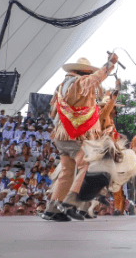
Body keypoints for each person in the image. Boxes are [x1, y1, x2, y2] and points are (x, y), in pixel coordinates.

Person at [42, 53, 118, 221]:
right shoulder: (78, 83)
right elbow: (93, 80)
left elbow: (53, 112)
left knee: (67, 172)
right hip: (74, 135)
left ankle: (52, 209)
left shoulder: (61, 86)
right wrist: (109, 65)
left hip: (62, 135)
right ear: (84, 73)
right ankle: (70, 203)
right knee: (87, 165)